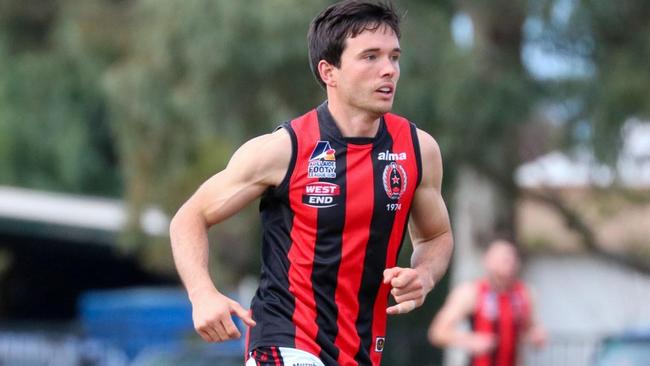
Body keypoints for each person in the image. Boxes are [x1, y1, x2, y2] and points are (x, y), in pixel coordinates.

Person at [169, 1, 453, 365]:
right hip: (284, 339)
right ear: (329, 71)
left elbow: (435, 237)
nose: (389, 70)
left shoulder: (418, 149)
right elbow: (189, 217)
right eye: (370, 57)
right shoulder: (284, 149)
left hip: (362, 350)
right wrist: (202, 293)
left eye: (394, 57)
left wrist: (424, 275)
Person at [428, 240, 546, 366]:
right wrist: (470, 340)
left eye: (512, 258)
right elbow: (437, 332)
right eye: (503, 259)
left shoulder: (524, 294)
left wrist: (537, 336)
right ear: (488, 261)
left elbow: (531, 329)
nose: (509, 262)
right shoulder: (471, 292)